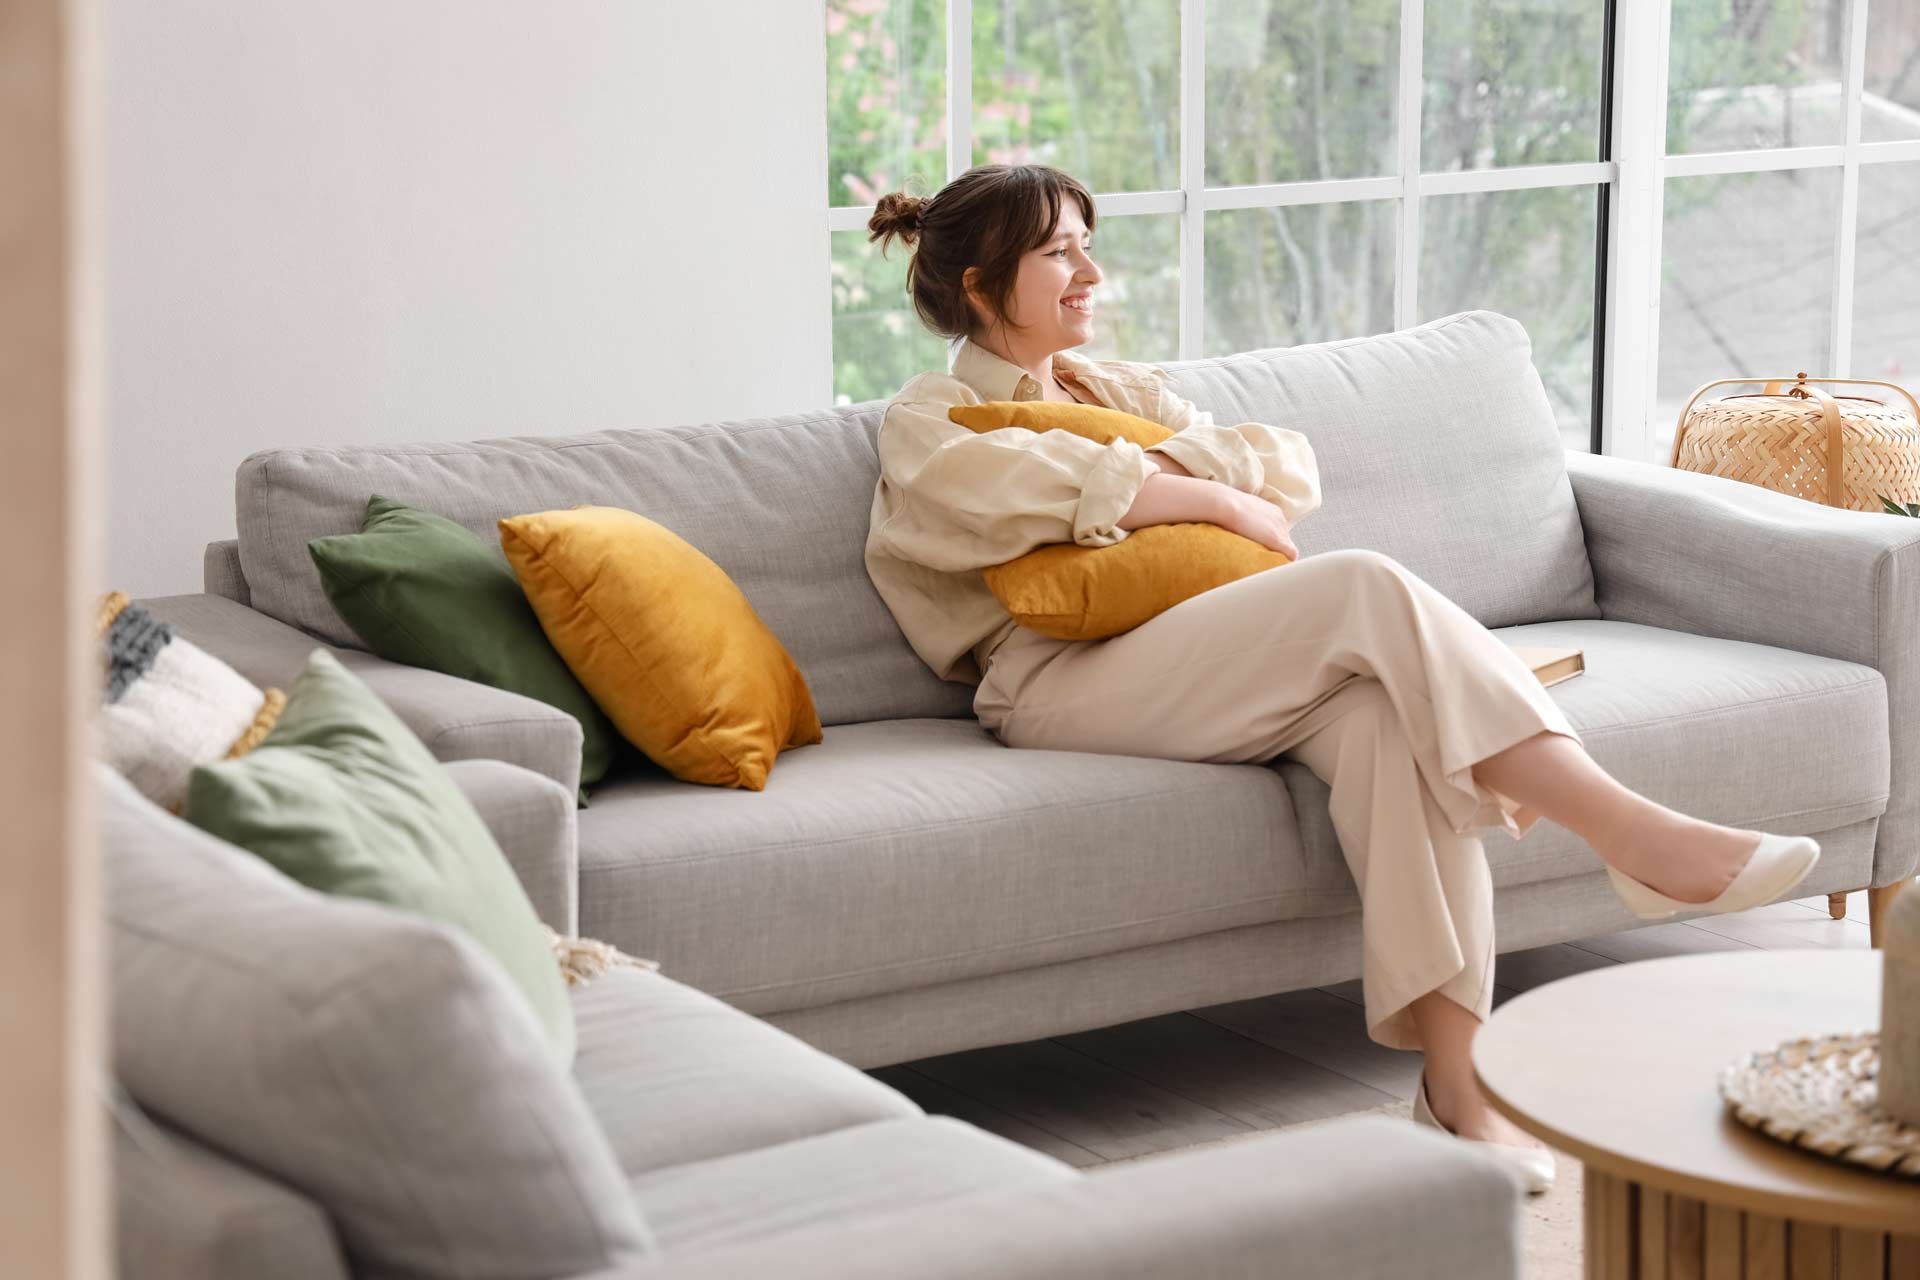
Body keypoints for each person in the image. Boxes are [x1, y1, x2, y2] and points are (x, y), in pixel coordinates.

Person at [859, 162, 1820, 1194]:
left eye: (1087, 245)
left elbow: (1286, 470)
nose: (1091, 272)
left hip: (1201, 646)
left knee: (1385, 720)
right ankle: (1629, 832)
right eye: (1059, 253)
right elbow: (1030, 489)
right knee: (1360, 581)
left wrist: (1181, 484)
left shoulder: (1120, 392)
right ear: (979, 283)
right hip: (1056, 681)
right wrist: (1211, 498)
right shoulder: (933, 415)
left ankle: (1461, 1088)